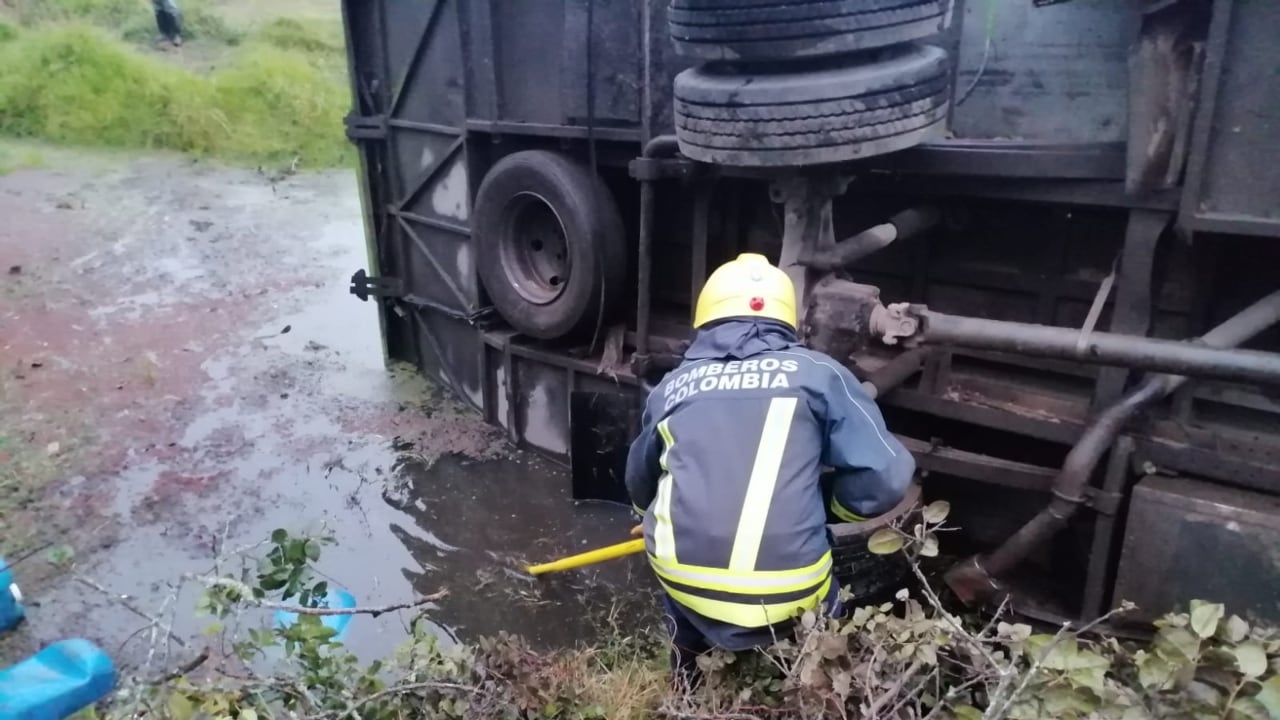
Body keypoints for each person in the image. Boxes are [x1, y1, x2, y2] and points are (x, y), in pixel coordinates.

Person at [624, 253, 915, 685]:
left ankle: (686, 683)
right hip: (792, 588)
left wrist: (645, 512)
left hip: (683, 578)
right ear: (788, 320)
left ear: (706, 319)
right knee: (822, 607)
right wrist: (831, 507)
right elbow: (888, 476)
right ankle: (812, 686)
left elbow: (639, 481)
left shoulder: (673, 387)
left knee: (681, 600)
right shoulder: (819, 374)